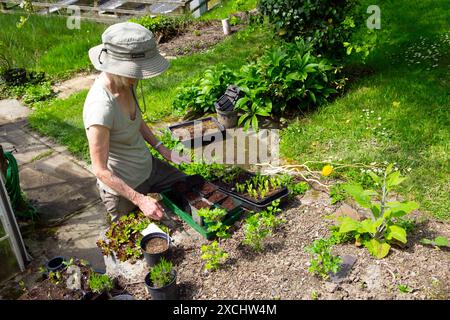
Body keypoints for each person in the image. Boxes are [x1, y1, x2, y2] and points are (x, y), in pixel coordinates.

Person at [83, 22, 190, 224]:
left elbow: (136, 121)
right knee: (139, 237)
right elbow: (100, 170)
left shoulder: (126, 82)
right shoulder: (100, 107)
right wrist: (139, 199)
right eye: (135, 70)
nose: (140, 75)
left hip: (149, 167)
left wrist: (162, 149)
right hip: (123, 189)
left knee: (190, 186)